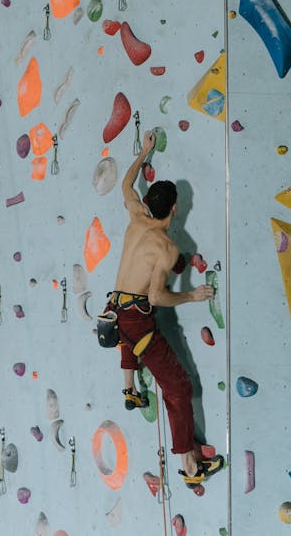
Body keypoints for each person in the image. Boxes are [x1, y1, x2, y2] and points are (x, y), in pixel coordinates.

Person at [108, 130, 223, 486]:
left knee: (129, 336)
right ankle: (191, 466)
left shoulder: (136, 215)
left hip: (113, 307)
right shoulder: (166, 248)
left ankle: (128, 385)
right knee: (178, 387)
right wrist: (192, 295)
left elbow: (126, 186)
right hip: (136, 319)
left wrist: (143, 153)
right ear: (174, 209)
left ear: (149, 204)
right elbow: (156, 298)